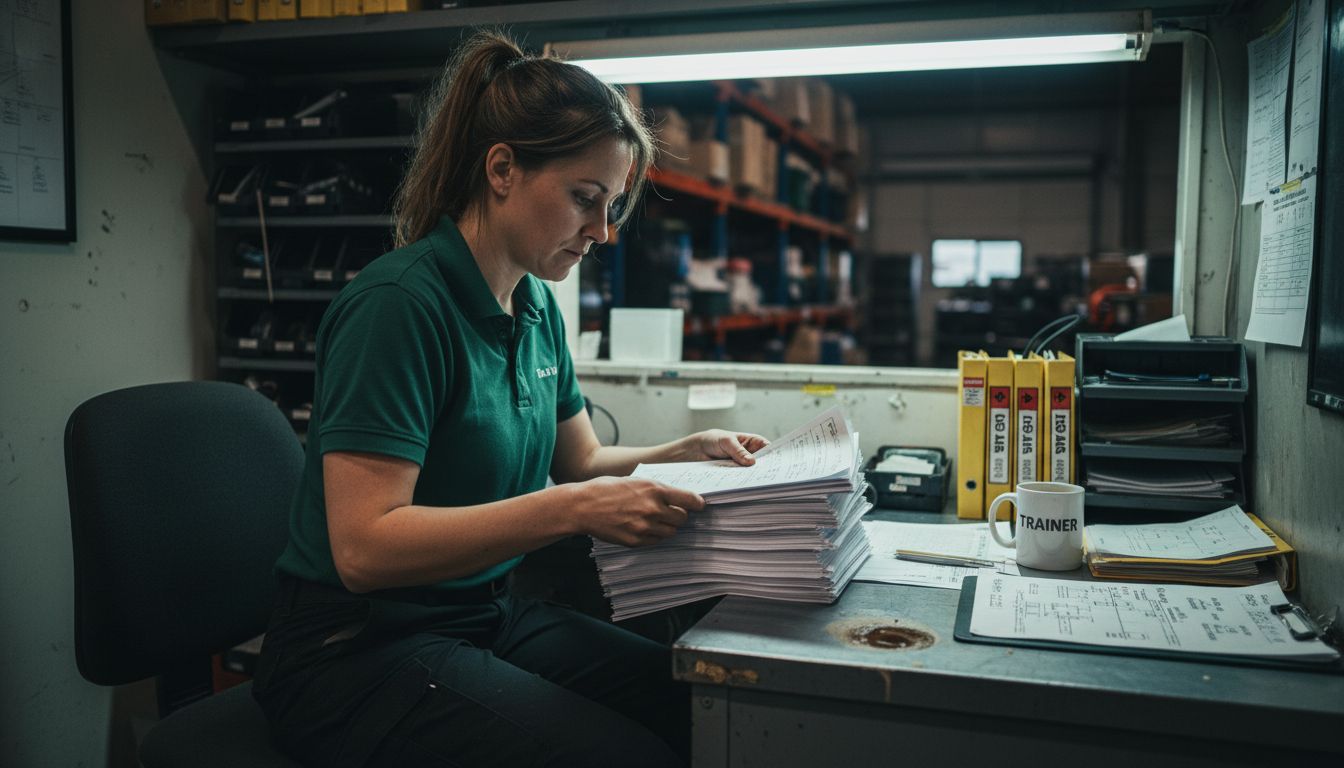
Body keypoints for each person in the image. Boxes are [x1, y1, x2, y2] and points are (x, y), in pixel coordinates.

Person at [252, 30, 769, 768]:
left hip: (475, 617)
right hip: (352, 654)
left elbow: (581, 461)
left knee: (694, 702)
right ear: (502, 170)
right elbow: (364, 548)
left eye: (613, 205)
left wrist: (683, 452)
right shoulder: (399, 306)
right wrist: (573, 509)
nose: (603, 232)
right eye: (585, 200)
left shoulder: (533, 309)